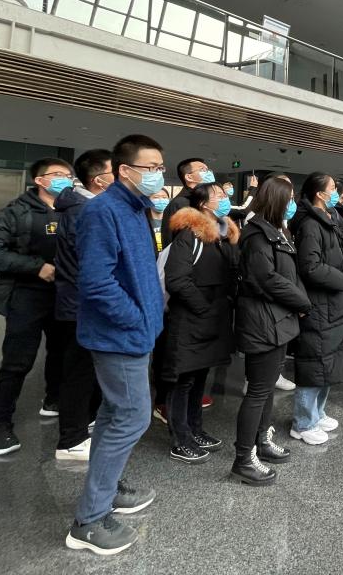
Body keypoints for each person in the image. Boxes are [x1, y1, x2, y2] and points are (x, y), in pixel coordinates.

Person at [65, 134, 165, 556]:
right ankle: (89, 521)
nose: (157, 174)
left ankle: (107, 490)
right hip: (118, 335)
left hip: (135, 333)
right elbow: (96, 282)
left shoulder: (136, 208)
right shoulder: (102, 211)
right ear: (125, 170)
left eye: (161, 167)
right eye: (150, 168)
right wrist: (136, 318)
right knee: (132, 418)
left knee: (112, 415)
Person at [0, 156, 72, 455]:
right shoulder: (16, 211)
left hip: (64, 295)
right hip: (26, 295)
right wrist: (36, 267)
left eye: (68, 175)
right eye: (57, 174)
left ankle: (53, 400)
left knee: (61, 353)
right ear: (40, 180)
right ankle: (0, 425)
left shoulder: (74, 210)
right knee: (17, 361)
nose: (65, 179)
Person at [232, 176, 311, 485]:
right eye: (289, 199)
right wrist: (302, 301)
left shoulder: (277, 231)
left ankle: (262, 440)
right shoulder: (257, 235)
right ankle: (243, 458)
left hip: (277, 321)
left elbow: (288, 275)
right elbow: (267, 279)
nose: (293, 204)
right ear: (277, 201)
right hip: (263, 323)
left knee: (265, 389)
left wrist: (298, 299)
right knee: (258, 391)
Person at [161, 183, 239, 464]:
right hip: (190, 320)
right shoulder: (189, 235)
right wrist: (203, 308)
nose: (225, 199)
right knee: (183, 380)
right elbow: (177, 280)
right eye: (218, 195)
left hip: (211, 320)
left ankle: (195, 429)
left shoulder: (221, 236)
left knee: (199, 378)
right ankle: (180, 439)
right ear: (204, 204)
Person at [288, 173, 343, 445]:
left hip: (333, 303)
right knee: (316, 363)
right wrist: (342, 280)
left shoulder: (328, 218)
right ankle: (303, 423)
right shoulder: (310, 224)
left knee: (328, 362)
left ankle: (317, 414)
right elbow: (310, 267)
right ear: (319, 194)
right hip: (321, 304)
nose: (337, 193)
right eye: (332, 188)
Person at [52, 148, 113, 462]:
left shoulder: (91, 207)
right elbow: (89, 264)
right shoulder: (83, 211)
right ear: (99, 179)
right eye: (116, 170)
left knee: (89, 370)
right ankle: (71, 439)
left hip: (87, 302)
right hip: (82, 305)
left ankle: (87, 422)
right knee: (78, 372)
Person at [161, 158, 215, 248]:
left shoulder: (206, 201)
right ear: (189, 177)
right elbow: (172, 242)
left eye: (208, 169)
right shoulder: (180, 203)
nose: (208, 173)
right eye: (202, 169)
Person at [148, 187, 170, 253]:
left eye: (164, 197)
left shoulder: (173, 221)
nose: (161, 200)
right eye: (156, 197)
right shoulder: (144, 221)